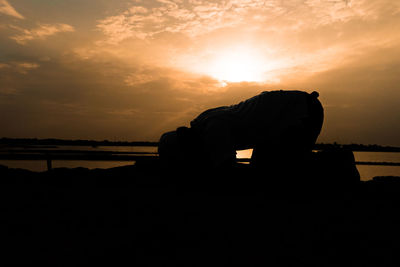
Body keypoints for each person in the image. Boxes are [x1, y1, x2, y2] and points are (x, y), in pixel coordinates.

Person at [158, 90, 324, 171]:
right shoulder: (204, 120)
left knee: (281, 172)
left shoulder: (213, 130)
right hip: (295, 110)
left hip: (302, 112)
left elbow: (227, 169)